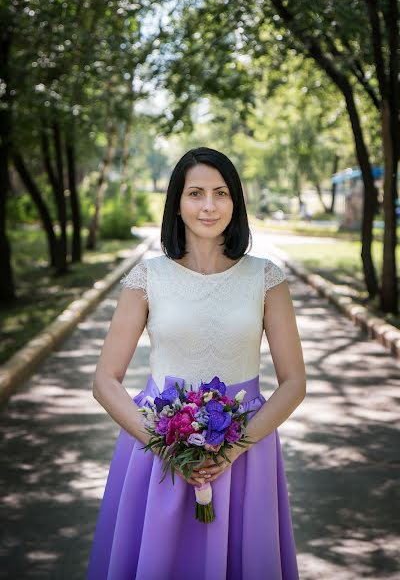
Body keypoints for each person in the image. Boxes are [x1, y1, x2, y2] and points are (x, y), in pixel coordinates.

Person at [87, 147, 306, 580]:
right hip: (159, 452)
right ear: (177, 202)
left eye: (221, 192)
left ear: (235, 202)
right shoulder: (147, 277)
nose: (209, 205)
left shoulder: (266, 278)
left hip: (246, 453)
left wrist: (235, 446)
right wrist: (163, 443)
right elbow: (104, 380)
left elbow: (294, 382)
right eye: (196, 193)